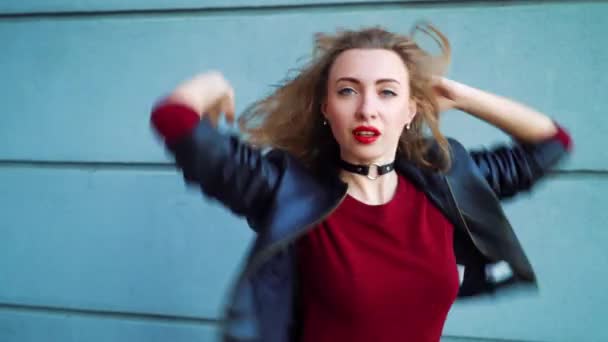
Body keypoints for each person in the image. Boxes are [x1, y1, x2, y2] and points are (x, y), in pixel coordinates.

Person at [150, 23, 571, 342]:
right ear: (325, 108)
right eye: (348, 91)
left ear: (411, 110)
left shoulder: (446, 183)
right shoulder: (284, 190)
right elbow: (175, 120)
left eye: (387, 92)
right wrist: (214, 84)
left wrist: (458, 94)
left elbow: (551, 143)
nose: (367, 108)